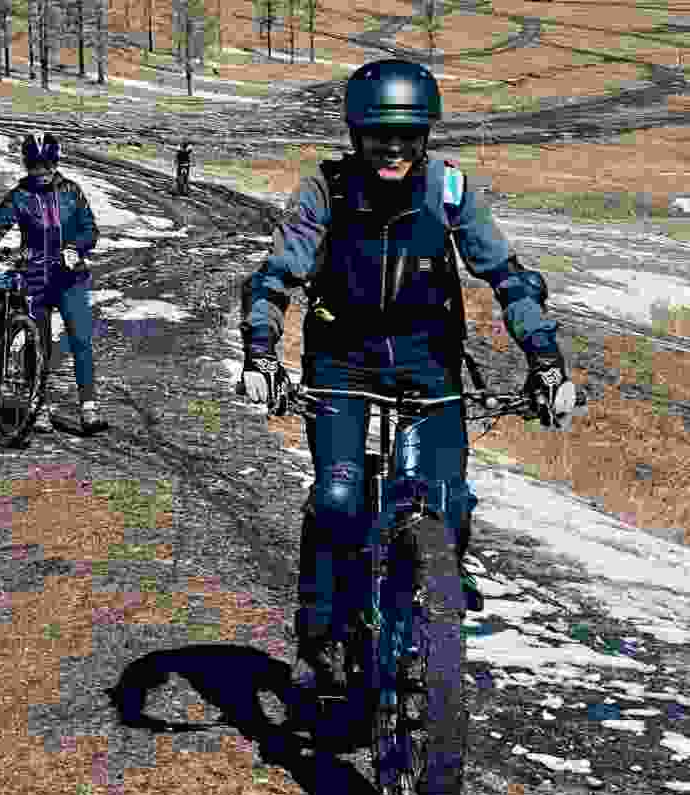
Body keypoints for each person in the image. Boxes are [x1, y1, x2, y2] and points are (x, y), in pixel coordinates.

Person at [235, 59, 577, 695]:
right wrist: (260, 352)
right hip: (341, 361)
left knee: (448, 500)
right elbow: (277, 275)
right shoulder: (325, 190)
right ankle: (320, 630)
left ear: (425, 135)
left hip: (428, 361)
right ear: (356, 134)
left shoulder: (449, 189)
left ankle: (433, 593)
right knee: (338, 497)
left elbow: (508, 276)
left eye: (408, 135)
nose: (392, 148)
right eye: (378, 135)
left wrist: (547, 360)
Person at [0, 133, 106, 434]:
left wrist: (76, 247)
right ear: (26, 164)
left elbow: (90, 230)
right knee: (38, 345)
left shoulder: (72, 191)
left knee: (81, 339)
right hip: (35, 279)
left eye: (47, 164)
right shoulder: (20, 195)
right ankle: (38, 405)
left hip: (70, 278)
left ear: (56, 163)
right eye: (34, 165)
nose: (41, 171)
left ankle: (89, 408)